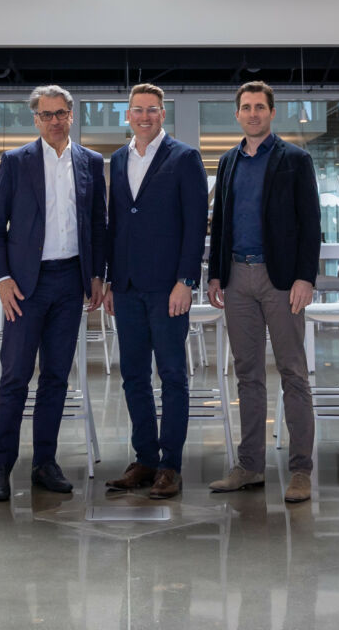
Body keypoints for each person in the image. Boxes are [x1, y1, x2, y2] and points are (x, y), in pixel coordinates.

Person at [0, 85, 107, 503]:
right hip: (24, 287)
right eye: (46, 114)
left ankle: (44, 464)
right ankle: (0, 467)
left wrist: (96, 275)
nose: (54, 120)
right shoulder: (16, 162)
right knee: (15, 377)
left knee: (55, 378)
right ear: (36, 120)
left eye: (61, 113)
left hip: (70, 283)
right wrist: (2, 279)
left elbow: (98, 225)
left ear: (72, 115)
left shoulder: (90, 161)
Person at [206, 80, 322, 504]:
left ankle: (301, 471)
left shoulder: (294, 159)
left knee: (293, 373)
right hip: (237, 279)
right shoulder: (227, 162)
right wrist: (216, 274)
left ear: (272, 113)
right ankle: (250, 465)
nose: (253, 113)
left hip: (282, 282)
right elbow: (220, 223)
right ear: (237, 114)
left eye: (260, 107)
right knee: (247, 374)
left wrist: (305, 278)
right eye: (246, 107)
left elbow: (311, 224)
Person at [103, 83, 207, 500]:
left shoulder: (184, 158)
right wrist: (110, 279)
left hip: (169, 288)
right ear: (127, 115)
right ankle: (145, 458)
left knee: (172, 376)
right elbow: (116, 223)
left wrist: (187, 280)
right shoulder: (117, 158)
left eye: (152, 110)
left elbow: (195, 222)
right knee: (133, 376)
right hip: (126, 287)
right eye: (137, 110)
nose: (144, 116)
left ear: (163, 114)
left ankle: (170, 466)